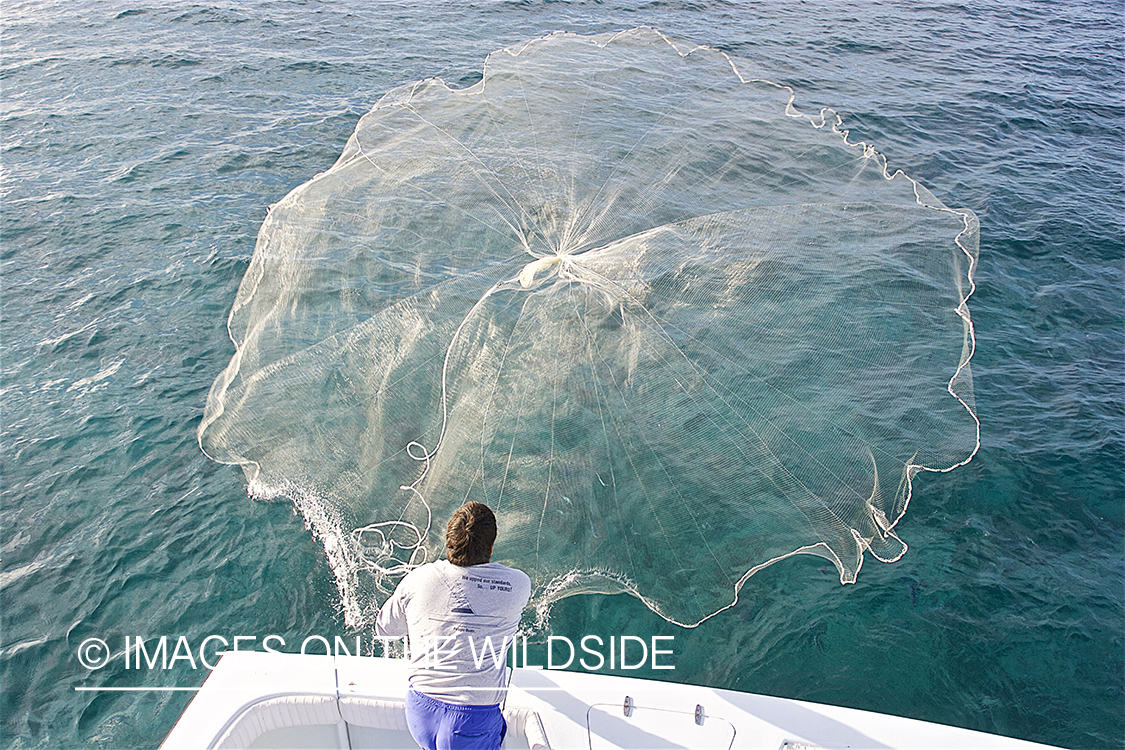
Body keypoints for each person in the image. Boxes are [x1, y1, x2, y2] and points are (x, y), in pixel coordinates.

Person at [376, 501, 531, 750]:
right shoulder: (519, 584)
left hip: (420, 713)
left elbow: (384, 628)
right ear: (490, 549)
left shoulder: (417, 579)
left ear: (449, 541)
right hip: (471, 723)